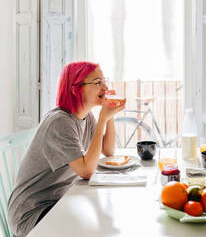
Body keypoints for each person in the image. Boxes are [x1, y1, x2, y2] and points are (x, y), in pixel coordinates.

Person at [8, 61, 125, 237]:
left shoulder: (86, 117)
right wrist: (102, 120)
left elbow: (108, 151)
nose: (105, 87)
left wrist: (110, 116)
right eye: (98, 82)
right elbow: (86, 171)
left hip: (58, 202)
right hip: (31, 213)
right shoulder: (60, 122)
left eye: (104, 81)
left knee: (102, 222)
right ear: (75, 89)